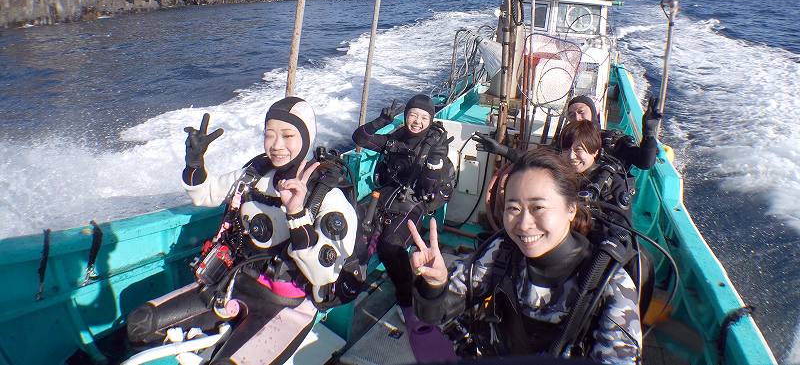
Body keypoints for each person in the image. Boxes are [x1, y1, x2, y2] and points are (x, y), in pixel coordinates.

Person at [126, 97, 358, 364]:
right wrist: (194, 165)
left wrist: (296, 214)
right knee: (140, 323)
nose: (277, 145)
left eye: (287, 135)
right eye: (269, 134)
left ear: (306, 137)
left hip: (287, 305)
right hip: (232, 283)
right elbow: (207, 194)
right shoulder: (256, 173)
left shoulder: (326, 196)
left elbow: (324, 275)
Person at [408, 148, 641, 362]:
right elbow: (435, 315)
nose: (524, 223)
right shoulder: (502, 251)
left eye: (538, 207)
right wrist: (435, 286)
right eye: (513, 208)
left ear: (571, 208)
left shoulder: (609, 283)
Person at [351, 94, 455, 320]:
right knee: (352, 223)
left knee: (390, 246)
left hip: (415, 202)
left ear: (430, 120)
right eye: (413, 115)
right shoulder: (396, 138)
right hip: (387, 194)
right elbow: (360, 138)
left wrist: (434, 163)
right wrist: (380, 121)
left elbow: (428, 188)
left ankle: (406, 298)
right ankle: (352, 274)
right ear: (406, 116)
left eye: (424, 117)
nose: (417, 121)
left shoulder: (435, 146)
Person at [567, 95, 660, 172]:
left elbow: (645, 162)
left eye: (581, 112)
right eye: (571, 115)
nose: (577, 118)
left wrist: (649, 132)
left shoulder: (613, 141)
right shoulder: (564, 141)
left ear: (593, 113)